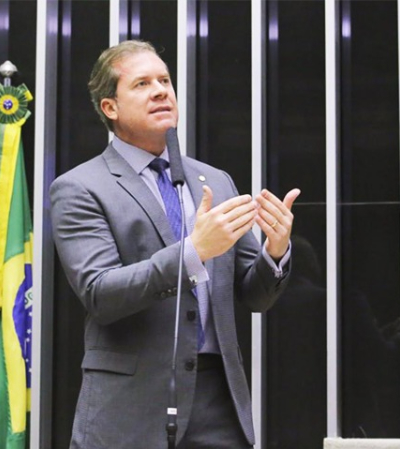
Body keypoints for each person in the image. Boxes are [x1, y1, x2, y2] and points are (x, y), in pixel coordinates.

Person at [50, 40, 300, 449]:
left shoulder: (214, 181)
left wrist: (275, 251)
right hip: (129, 408)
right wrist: (192, 252)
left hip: (218, 402)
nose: (161, 91)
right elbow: (100, 293)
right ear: (110, 107)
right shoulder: (80, 187)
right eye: (142, 84)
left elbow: (254, 296)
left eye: (165, 81)